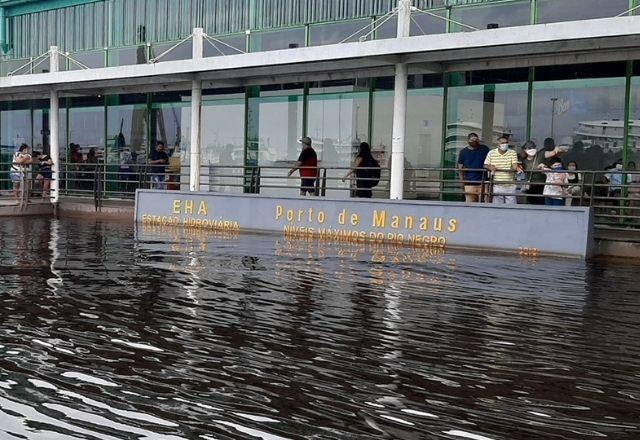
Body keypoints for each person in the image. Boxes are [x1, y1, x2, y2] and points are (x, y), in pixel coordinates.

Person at [519, 138, 563, 205]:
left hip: (542, 184)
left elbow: (553, 153)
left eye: (533, 147)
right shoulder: (524, 160)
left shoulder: (540, 154)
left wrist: (556, 148)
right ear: (525, 150)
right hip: (531, 186)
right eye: (529, 148)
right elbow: (521, 170)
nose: (532, 149)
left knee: (541, 203)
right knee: (531, 203)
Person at [484, 136, 519, 204]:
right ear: (498, 145)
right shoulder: (491, 153)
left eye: (506, 142)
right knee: (498, 208)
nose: (505, 144)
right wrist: (490, 167)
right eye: (503, 143)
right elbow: (485, 165)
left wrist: (517, 168)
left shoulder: (512, 152)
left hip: (510, 185)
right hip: (497, 185)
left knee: (511, 208)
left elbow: (515, 165)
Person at [457, 133, 490, 202]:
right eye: (472, 140)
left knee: (485, 203)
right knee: (470, 204)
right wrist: (461, 181)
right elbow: (460, 168)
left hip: (483, 182)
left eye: (476, 139)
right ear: (468, 141)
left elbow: (491, 159)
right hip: (469, 183)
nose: (475, 141)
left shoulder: (484, 149)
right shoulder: (463, 152)